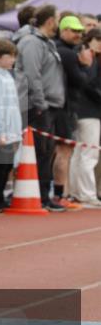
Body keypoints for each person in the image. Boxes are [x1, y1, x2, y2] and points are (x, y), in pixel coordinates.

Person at [15, 4, 67, 212]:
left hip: (50, 105)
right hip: (38, 106)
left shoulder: (48, 44)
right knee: (39, 151)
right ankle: (40, 196)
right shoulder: (32, 43)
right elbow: (32, 74)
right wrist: (40, 103)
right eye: (58, 18)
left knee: (47, 152)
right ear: (50, 21)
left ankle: (44, 195)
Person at [54, 14, 97, 208]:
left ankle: (68, 193)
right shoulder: (70, 53)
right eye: (74, 30)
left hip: (70, 108)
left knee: (73, 153)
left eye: (80, 31)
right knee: (71, 153)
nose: (78, 34)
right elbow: (82, 81)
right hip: (73, 109)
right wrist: (87, 65)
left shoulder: (69, 51)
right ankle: (69, 194)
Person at [0, 39, 24, 213]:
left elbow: (12, 105)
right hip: (2, 130)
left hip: (11, 129)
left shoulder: (7, 75)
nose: (12, 60)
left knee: (6, 165)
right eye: (9, 56)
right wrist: (0, 131)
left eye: (14, 56)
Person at [69, 27, 101, 206]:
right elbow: (88, 82)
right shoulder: (86, 55)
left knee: (80, 153)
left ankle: (78, 192)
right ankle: (87, 194)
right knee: (89, 153)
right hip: (88, 111)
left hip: (85, 110)